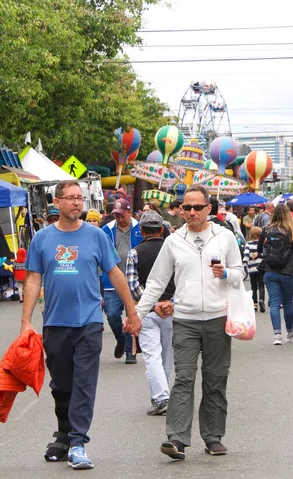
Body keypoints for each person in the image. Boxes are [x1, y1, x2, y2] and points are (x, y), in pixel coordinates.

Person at [21, 180, 141, 469]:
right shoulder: (42, 239)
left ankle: (77, 442)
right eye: (71, 198)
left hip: (88, 322)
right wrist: (26, 322)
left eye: (80, 198)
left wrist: (132, 311)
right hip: (54, 323)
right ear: (57, 202)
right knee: (61, 385)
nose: (77, 203)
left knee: (83, 383)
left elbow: (115, 274)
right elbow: (33, 280)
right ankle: (63, 434)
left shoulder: (97, 236)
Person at [133, 185, 244, 460]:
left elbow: (241, 273)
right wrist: (137, 315)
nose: (191, 212)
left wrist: (226, 272)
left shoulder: (225, 237)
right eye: (186, 207)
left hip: (219, 319)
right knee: (183, 378)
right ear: (181, 211)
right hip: (185, 320)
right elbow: (156, 283)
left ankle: (213, 437)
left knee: (215, 379)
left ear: (209, 209)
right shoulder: (173, 241)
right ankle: (177, 439)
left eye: (197, 207)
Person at [126, 210, 176, 416]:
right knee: (167, 357)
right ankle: (163, 395)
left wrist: (151, 303)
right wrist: (170, 302)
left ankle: (161, 397)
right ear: (162, 229)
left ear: (141, 230)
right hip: (173, 309)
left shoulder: (135, 252)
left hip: (146, 312)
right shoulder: (173, 250)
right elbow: (182, 279)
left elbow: (132, 283)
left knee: (152, 357)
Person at [101, 198, 143, 364]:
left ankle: (130, 351)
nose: (119, 218)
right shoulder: (107, 230)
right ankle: (120, 338)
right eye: (116, 215)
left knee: (131, 315)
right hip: (112, 279)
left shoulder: (139, 228)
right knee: (112, 314)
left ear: (129, 212)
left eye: (122, 215)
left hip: (133, 278)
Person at [258, 204, 293, 345]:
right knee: (287, 303)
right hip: (287, 271)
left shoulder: (266, 230)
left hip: (270, 271)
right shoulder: (291, 231)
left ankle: (277, 335)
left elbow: (260, 248)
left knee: (274, 303)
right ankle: (289, 331)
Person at [243, 226, 265, 312]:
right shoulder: (262, 244)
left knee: (254, 287)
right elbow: (265, 254)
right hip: (261, 267)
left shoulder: (248, 244)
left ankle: (254, 304)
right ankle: (262, 300)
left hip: (252, 269)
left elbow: (246, 256)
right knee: (261, 285)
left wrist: (245, 265)